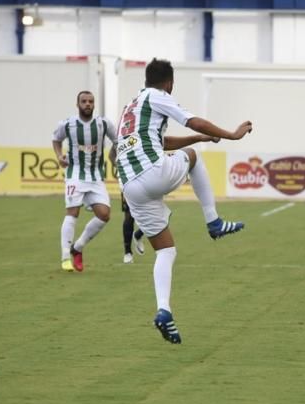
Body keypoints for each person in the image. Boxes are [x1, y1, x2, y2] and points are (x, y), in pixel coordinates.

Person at [117, 58, 252, 344]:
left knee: (165, 251)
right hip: (151, 172)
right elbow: (191, 119)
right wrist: (229, 135)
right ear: (169, 83)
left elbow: (160, 142)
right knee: (195, 158)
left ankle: (164, 310)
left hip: (130, 186)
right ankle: (213, 221)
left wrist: (198, 137)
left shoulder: (132, 106)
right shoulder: (159, 96)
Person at [52, 91, 117, 272]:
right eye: (84, 101)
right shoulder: (68, 124)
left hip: (96, 177)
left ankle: (77, 248)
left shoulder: (104, 123)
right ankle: (65, 256)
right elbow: (56, 139)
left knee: (104, 215)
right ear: (77, 104)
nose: (87, 104)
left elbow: (118, 141)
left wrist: (114, 159)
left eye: (90, 101)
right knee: (72, 212)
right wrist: (59, 156)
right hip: (75, 175)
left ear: (94, 104)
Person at [120, 193, 146, 264]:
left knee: (154, 214)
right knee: (129, 217)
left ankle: (138, 234)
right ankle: (127, 252)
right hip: (128, 185)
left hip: (147, 184)